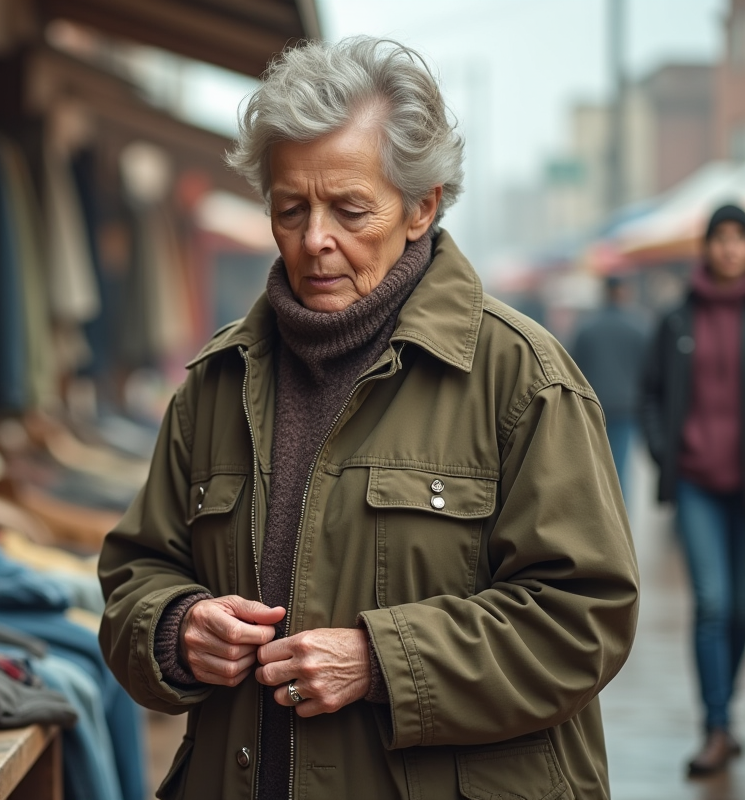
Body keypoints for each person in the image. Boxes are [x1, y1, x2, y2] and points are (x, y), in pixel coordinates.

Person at [99, 37, 640, 800]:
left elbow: (585, 617)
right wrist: (174, 629)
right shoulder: (216, 383)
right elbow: (134, 578)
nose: (315, 239)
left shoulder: (523, 379)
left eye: (350, 210)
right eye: (290, 209)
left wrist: (383, 661)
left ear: (422, 207)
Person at [641, 202, 745, 778]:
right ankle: (716, 727)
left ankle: (723, 709)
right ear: (707, 247)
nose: (730, 248)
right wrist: (667, 453)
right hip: (698, 483)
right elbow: (651, 392)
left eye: (739, 238)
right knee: (712, 603)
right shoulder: (677, 319)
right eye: (721, 238)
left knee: (741, 609)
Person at [571, 276, 650, 497]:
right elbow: (649, 369)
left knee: (595, 465)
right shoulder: (639, 326)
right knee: (620, 468)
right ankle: (619, 511)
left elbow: (574, 367)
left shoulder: (586, 328)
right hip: (626, 406)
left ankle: (598, 508)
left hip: (593, 406)